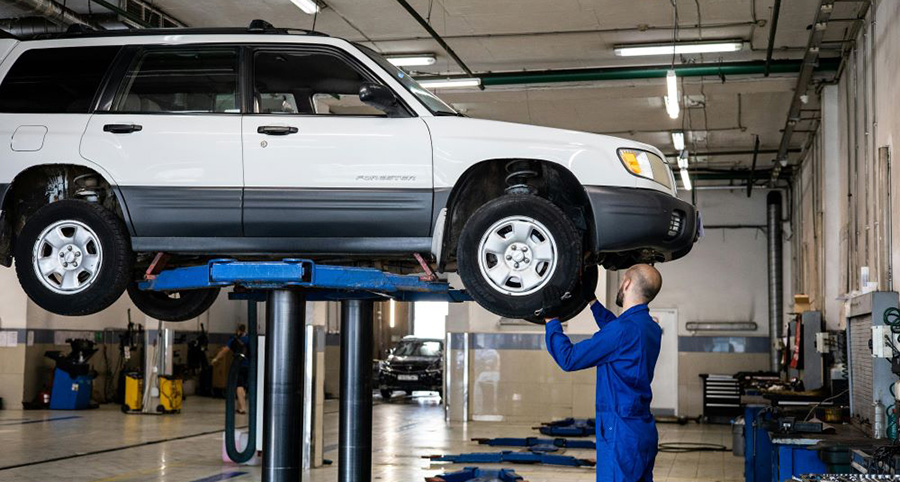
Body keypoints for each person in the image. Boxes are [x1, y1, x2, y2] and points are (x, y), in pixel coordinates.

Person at [544, 264, 663, 482]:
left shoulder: (621, 331)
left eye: (621, 280)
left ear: (626, 283)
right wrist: (592, 301)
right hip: (642, 429)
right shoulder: (650, 328)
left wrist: (552, 321)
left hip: (620, 431)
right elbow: (616, 330)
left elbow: (568, 359)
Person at [212, 324, 250, 414]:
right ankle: (240, 406)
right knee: (243, 387)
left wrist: (216, 358)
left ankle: (243, 408)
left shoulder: (234, 340)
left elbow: (224, 350)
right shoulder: (249, 339)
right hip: (249, 366)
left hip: (239, 365)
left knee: (238, 386)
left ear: (238, 331)